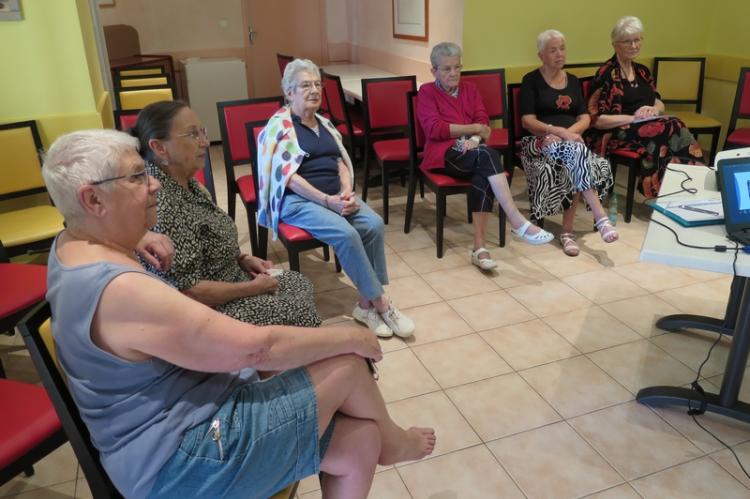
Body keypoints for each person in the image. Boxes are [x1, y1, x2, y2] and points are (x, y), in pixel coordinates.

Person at [41, 129, 436, 499]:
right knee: (348, 362)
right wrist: (355, 336)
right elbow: (257, 350)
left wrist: (138, 234)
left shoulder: (70, 245)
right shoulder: (122, 290)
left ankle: (382, 440)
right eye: (137, 177)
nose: (153, 183)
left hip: (183, 426)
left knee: (359, 444)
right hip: (180, 465)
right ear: (93, 200)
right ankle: (396, 443)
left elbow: (89, 230)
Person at [256, 59, 415, 338]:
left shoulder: (324, 123)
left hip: (333, 195)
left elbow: (340, 161)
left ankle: (365, 304)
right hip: (298, 200)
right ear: (289, 92)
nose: (314, 90)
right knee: (346, 233)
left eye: (317, 84)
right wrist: (327, 201)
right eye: (305, 85)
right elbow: (287, 177)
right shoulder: (279, 127)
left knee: (374, 224)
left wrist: (345, 191)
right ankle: (381, 302)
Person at [129, 100, 321, 328]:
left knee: (298, 283)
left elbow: (208, 242)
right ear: (159, 147)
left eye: (203, 132)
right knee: (299, 312)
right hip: (209, 310)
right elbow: (187, 291)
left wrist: (243, 259)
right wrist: (252, 288)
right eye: (192, 135)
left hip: (229, 279)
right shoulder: (162, 202)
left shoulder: (187, 184)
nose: (205, 142)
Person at [417, 42, 554, 271]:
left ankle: (479, 249)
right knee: (489, 157)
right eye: (446, 69)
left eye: (457, 67)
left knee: (484, 167)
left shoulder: (470, 89)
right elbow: (435, 129)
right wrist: (473, 129)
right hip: (442, 154)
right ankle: (516, 219)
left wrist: (476, 138)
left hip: (474, 151)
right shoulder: (427, 92)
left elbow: (485, 124)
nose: (453, 73)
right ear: (434, 71)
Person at [520, 30, 617, 256]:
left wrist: (567, 134)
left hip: (569, 142)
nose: (559, 54)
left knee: (575, 156)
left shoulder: (572, 81)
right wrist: (556, 131)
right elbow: (527, 120)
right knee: (578, 153)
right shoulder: (531, 80)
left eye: (562, 48)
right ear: (541, 55)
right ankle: (596, 220)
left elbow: (584, 117)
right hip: (540, 141)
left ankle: (568, 233)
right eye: (552, 50)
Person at [587, 16, 705, 198]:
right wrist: (635, 117)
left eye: (637, 40)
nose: (634, 45)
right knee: (663, 129)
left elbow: (658, 101)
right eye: (628, 41)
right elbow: (597, 120)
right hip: (618, 131)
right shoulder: (606, 74)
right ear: (615, 44)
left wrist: (654, 110)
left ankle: (692, 183)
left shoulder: (642, 71)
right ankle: (661, 191)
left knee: (675, 124)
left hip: (648, 124)